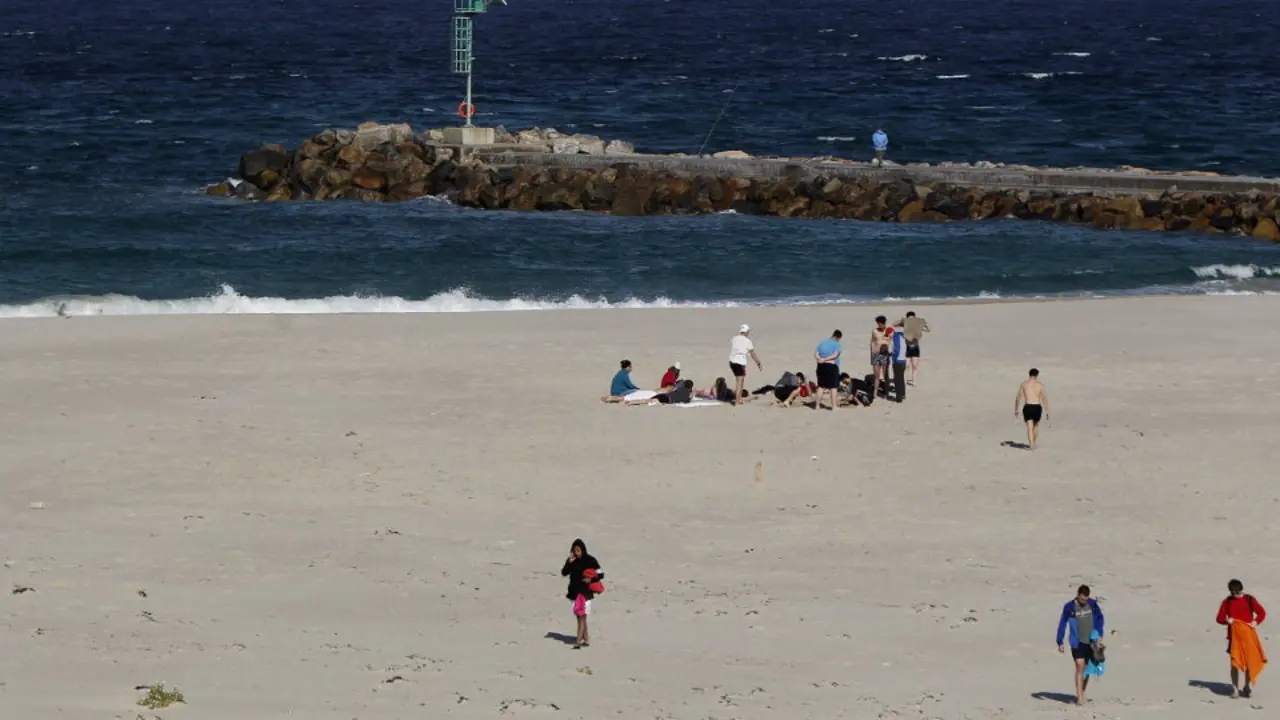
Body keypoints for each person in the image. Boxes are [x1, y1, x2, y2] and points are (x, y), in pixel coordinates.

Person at [1216, 578, 1267, 698]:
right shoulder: (1227, 602)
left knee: (1249, 662)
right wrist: (1227, 620)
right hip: (1234, 638)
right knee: (1234, 663)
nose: (1237, 595)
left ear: (1241, 589)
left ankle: (1247, 686)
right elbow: (1219, 618)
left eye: (1238, 592)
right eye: (1234, 593)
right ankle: (1235, 689)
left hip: (1248, 636)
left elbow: (1262, 613)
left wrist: (1255, 622)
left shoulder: (1249, 599)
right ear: (1231, 592)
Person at [1056, 584, 1105, 706]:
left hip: (1091, 642)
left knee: (1087, 668)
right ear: (1078, 595)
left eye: (1086, 599)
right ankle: (1079, 698)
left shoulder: (1092, 604)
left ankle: (1082, 691)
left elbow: (1100, 617)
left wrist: (1099, 633)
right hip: (1077, 642)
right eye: (1082, 599)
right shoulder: (1069, 607)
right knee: (1079, 666)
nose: (1084, 601)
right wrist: (1060, 641)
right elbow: (1062, 622)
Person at [561, 539, 604, 649]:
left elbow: (601, 574)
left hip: (585, 592)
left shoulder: (590, 560)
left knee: (582, 617)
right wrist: (569, 562)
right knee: (579, 616)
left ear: (583, 549)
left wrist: (591, 579)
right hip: (574, 592)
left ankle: (578, 641)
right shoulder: (571, 560)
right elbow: (564, 573)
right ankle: (586, 638)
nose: (577, 553)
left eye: (578, 550)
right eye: (575, 550)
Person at [1014, 368, 1050, 450]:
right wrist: (1047, 410)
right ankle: (1033, 442)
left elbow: (1018, 397)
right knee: (1036, 426)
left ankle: (1031, 444)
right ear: (1036, 375)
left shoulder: (1024, 384)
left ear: (1029, 374)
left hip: (1028, 406)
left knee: (1029, 427)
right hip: (1037, 406)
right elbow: (1044, 398)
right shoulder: (1040, 385)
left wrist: (1016, 409)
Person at [728, 324, 762, 406]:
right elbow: (752, 353)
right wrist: (758, 363)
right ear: (746, 332)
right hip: (740, 362)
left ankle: (739, 398)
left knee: (740, 380)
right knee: (740, 381)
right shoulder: (747, 341)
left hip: (732, 361)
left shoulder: (734, 338)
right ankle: (737, 400)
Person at [895, 311, 930, 384]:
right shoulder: (905, 324)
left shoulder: (917, 325)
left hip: (915, 346)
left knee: (914, 365)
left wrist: (924, 324)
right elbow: (894, 324)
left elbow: (928, 330)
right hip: (907, 346)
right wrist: (902, 320)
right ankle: (903, 380)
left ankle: (914, 381)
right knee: (906, 365)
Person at [814, 330, 843, 410]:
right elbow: (835, 355)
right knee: (833, 387)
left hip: (820, 366)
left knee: (821, 386)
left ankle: (817, 406)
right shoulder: (837, 344)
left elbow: (816, 353)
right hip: (831, 366)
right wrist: (825, 359)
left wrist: (820, 359)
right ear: (838, 337)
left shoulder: (823, 342)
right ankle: (834, 406)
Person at [868, 316, 891, 400]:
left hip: (885, 354)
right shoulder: (874, 331)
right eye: (878, 323)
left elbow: (889, 341)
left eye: (881, 323)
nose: (879, 325)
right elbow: (872, 341)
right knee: (877, 375)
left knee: (885, 375)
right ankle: (875, 392)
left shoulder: (888, 331)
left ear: (884, 323)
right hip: (876, 354)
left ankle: (886, 392)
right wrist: (872, 352)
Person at [889, 325, 908, 402]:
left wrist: (890, 354)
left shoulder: (894, 339)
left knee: (897, 379)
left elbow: (894, 350)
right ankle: (903, 394)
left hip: (897, 361)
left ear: (891, 332)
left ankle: (898, 397)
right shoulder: (901, 336)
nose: (888, 336)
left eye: (888, 334)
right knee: (901, 378)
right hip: (903, 360)